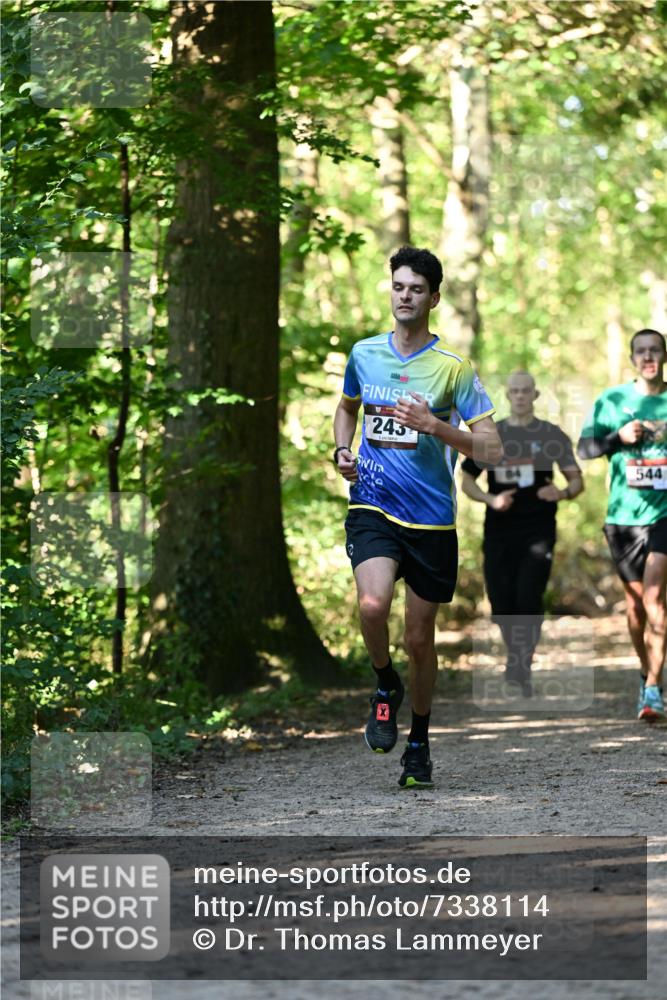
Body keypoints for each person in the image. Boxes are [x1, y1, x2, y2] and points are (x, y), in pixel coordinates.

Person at [332, 245, 502, 788]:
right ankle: (385, 685)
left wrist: (437, 427)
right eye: (399, 287)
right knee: (372, 603)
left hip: (431, 520)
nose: (405, 297)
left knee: (420, 640)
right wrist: (341, 449)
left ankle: (420, 740)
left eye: (416, 289)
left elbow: (492, 450)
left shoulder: (454, 370)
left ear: (434, 297)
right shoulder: (364, 354)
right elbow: (347, 408)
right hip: (374, 505)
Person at [460, 371, 584, 696]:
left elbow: (576, 480)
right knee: (502, 602)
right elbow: (467, 481)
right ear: (507, 394)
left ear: (535, 394)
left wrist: (562, 493)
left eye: (525, 391)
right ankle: (516, 657)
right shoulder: (493, 436)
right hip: (499, 531)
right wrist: (491, 499)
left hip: (538, 531)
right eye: (514, 391)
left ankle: (521, 665)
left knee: (528, 599)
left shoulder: (551, 434)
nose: (519, 396)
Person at [577, 329, 667, 721]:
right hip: (622, 518)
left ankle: (652, 689)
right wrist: (618, 436)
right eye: (641, 351)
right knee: (635, 609)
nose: (648, 357)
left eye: (655, 351)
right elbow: (585, 449)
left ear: (664, 356)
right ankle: (646, 673)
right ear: (633, 358)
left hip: (663, 514)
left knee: (654, 600)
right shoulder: (613, 400)